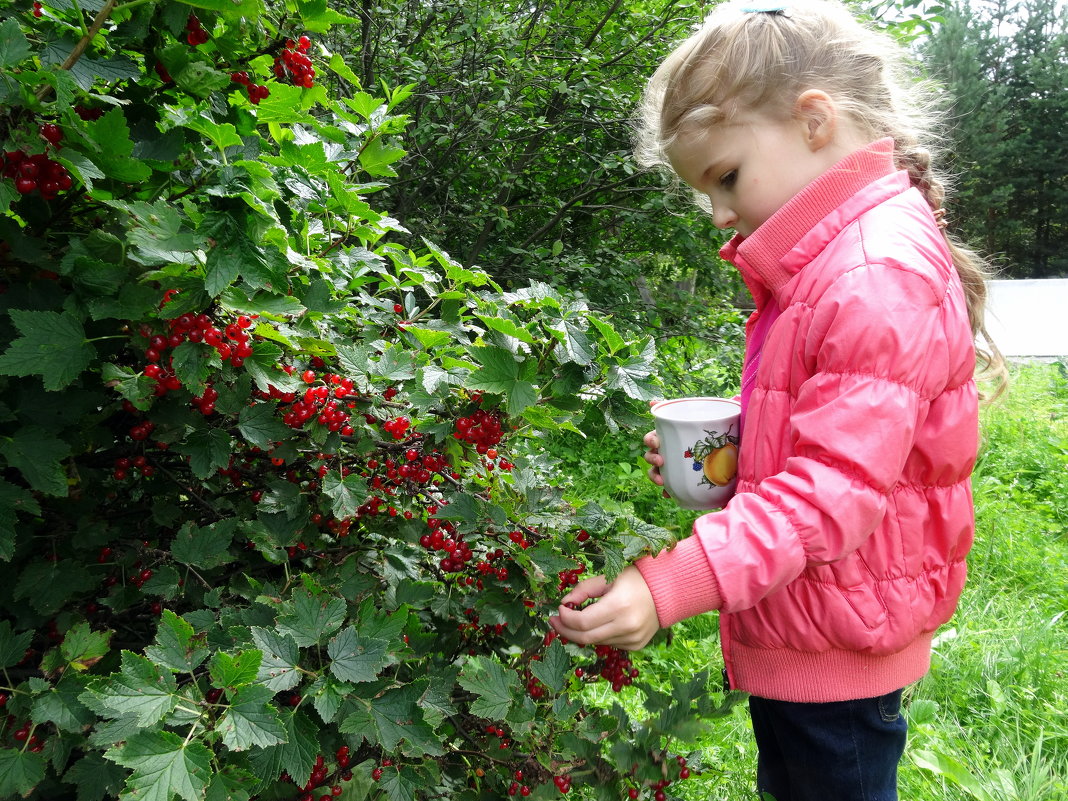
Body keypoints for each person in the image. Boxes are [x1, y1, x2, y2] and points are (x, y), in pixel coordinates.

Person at [548, 2, 1006, 799]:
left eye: (726, 177)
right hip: (814, 621)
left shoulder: (872, 271)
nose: (721, 214)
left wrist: (668, 584)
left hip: (836, 648)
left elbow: (829, 496)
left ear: (815, 120)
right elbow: (829, 438)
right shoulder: (836, 260)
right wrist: (730, 459)